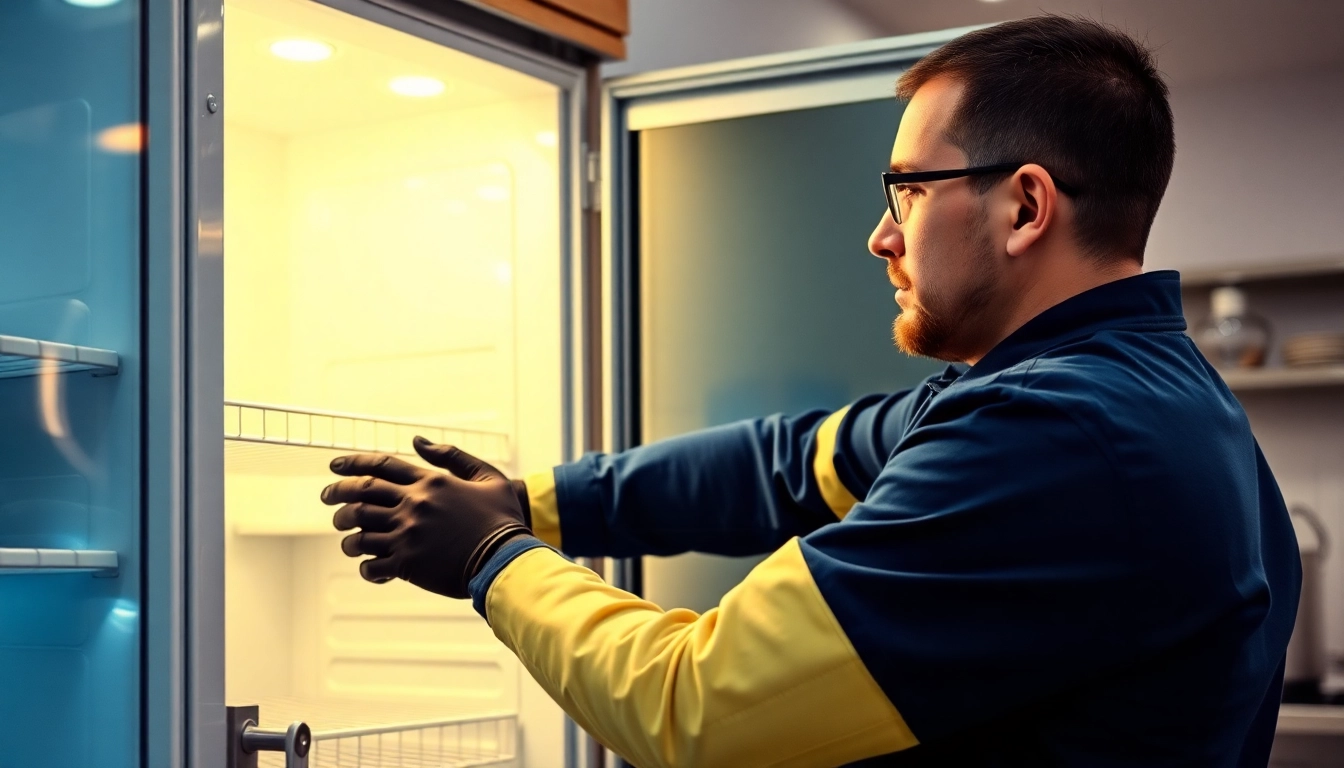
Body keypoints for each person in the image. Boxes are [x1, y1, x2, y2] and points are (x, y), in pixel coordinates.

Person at [319, 15, 1300, 767]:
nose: (881, 236)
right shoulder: (1128, 391)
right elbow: (793, 460)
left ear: (1025, 205)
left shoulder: (1057, 435)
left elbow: (690, 705)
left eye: (908, 191)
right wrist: (536, 502)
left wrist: (490, 554)